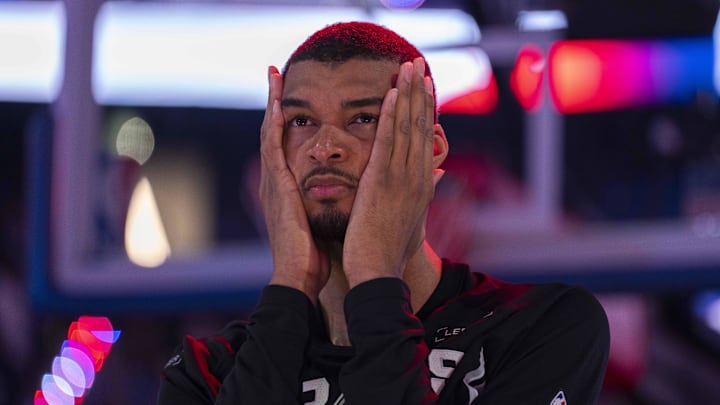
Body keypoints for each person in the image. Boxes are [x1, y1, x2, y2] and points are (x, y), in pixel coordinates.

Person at [157, 21, 609, 404]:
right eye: (300, 121)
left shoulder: (540, 327)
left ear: (429, 152)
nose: (324, 148)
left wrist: (374, 276)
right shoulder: (206, 372)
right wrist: (290, 285)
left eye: (362, 119)